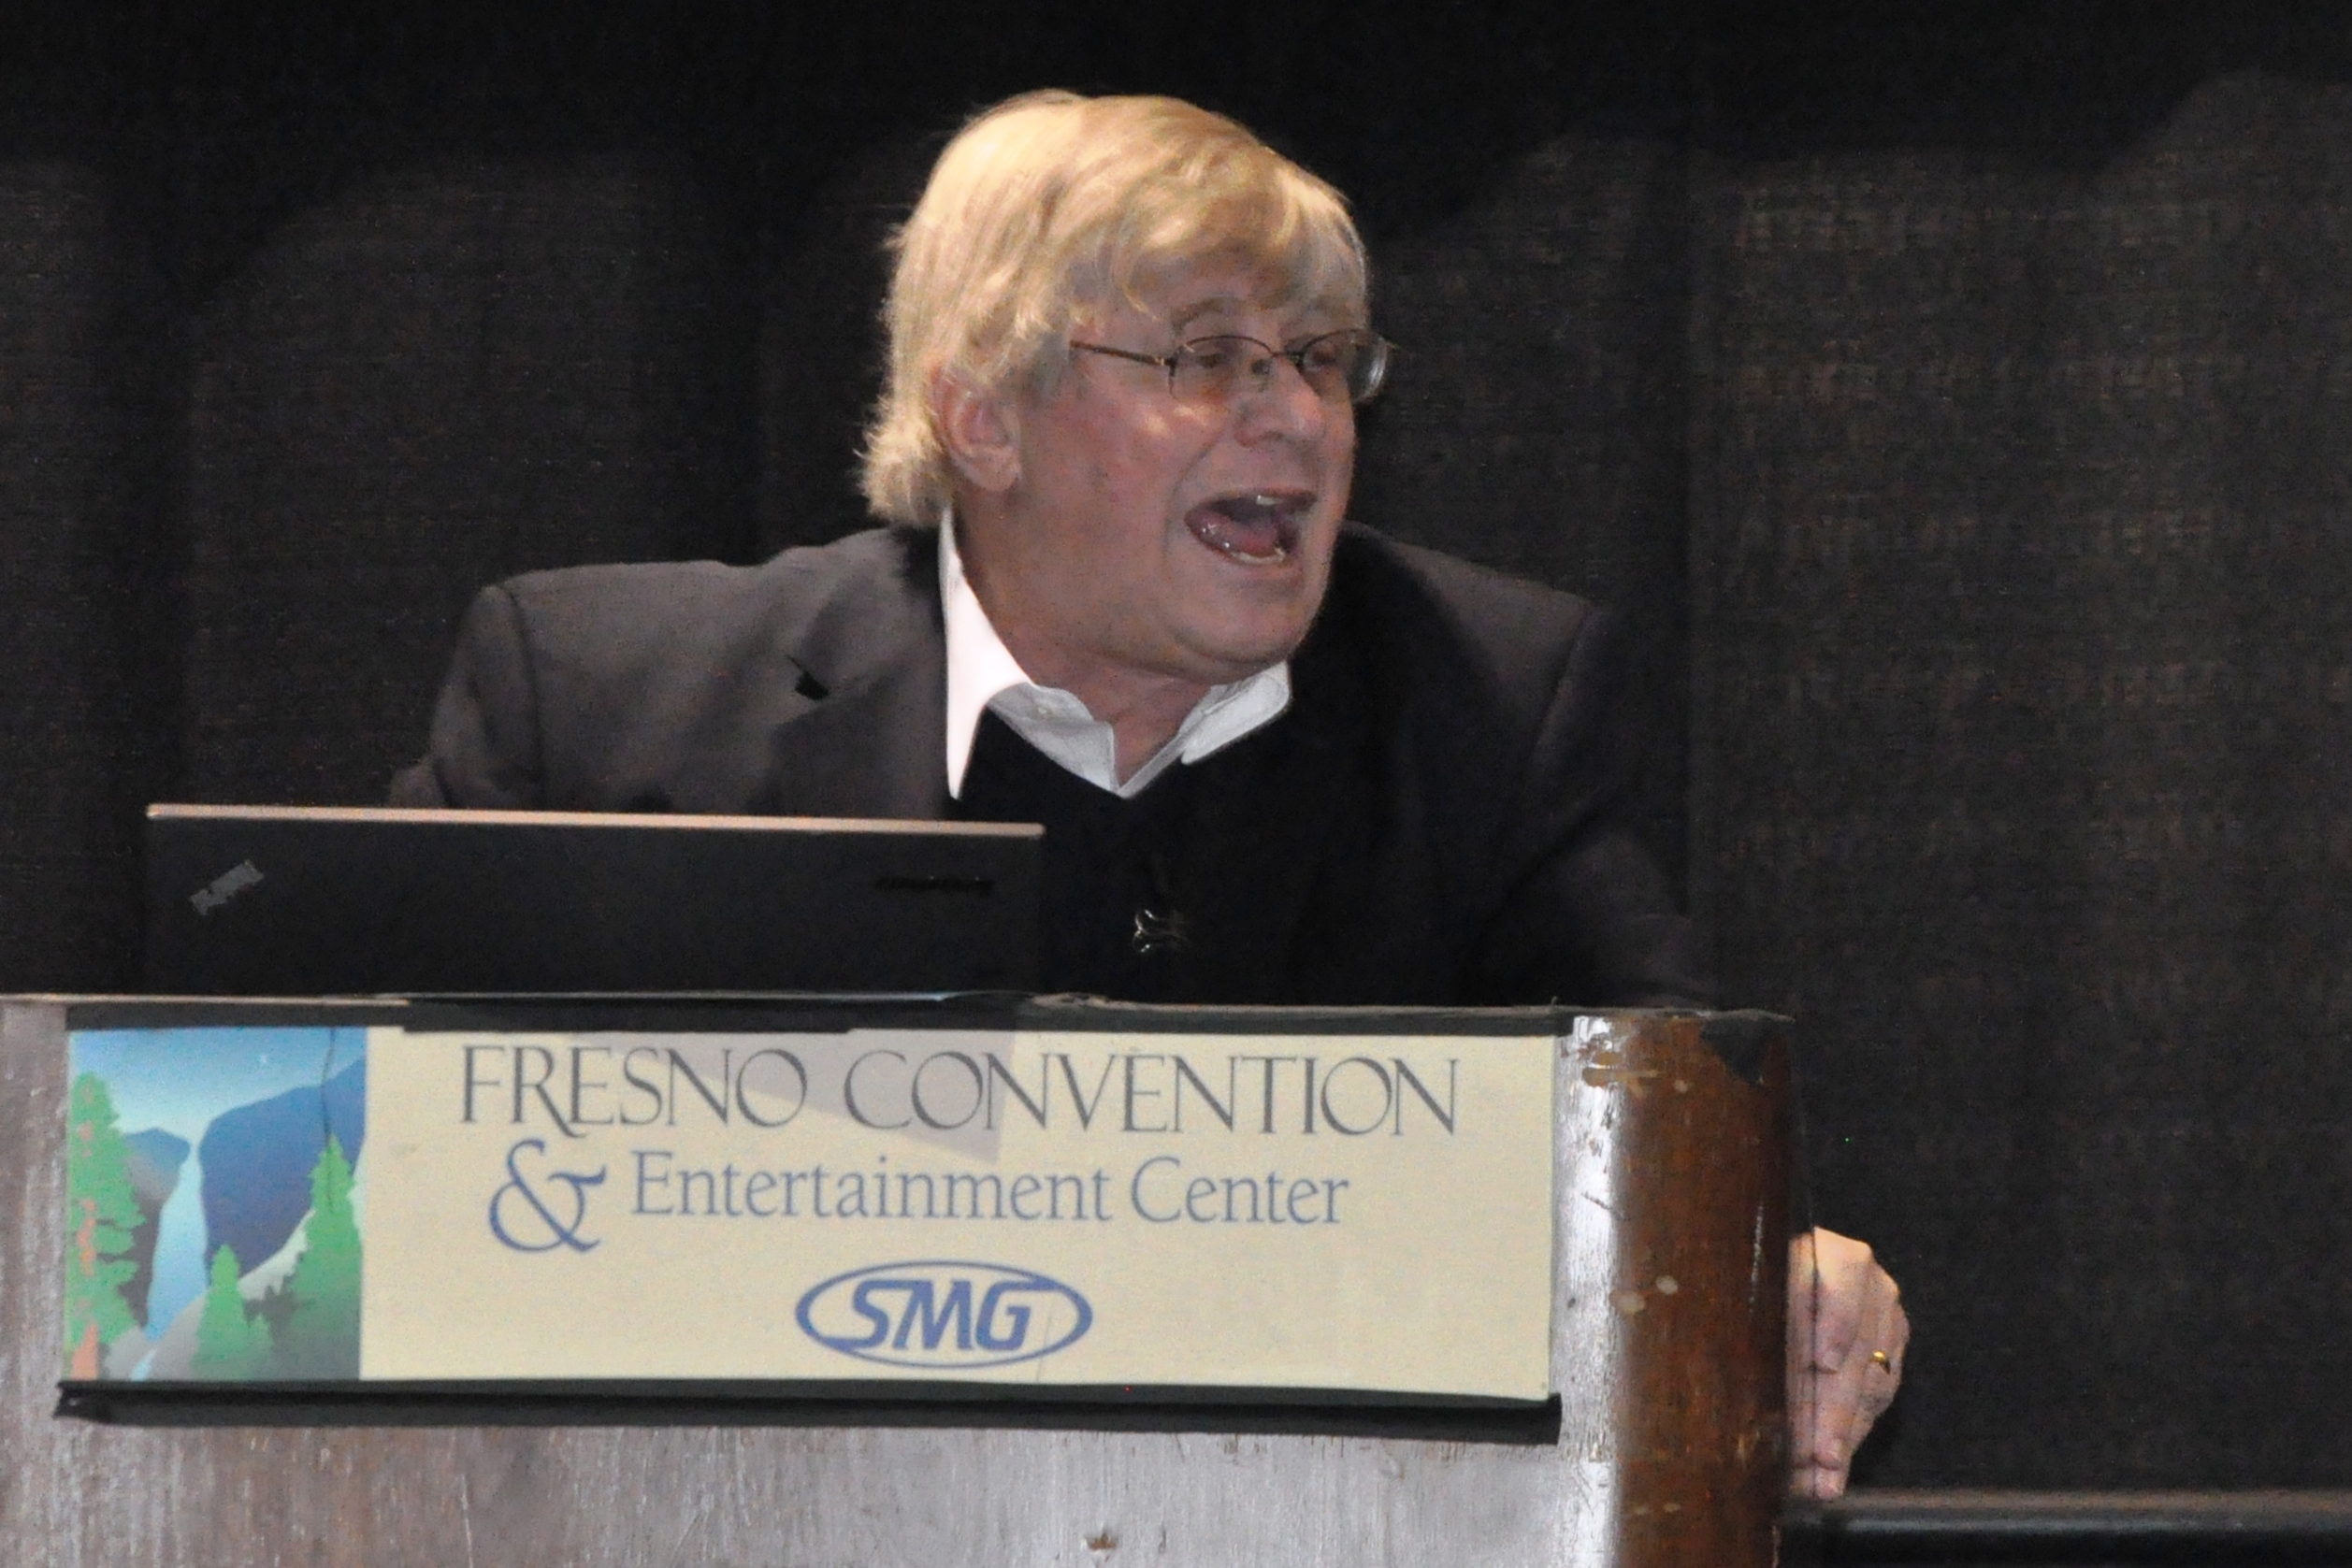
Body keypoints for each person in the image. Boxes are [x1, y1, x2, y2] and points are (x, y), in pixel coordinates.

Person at [393, 89, 1906, 1494]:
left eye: (1321, 358)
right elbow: (335, 1145)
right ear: (984, 416)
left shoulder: (1486, 699)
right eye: (1205, 357)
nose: (1296, 417)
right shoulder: (606, 709)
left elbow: (1676, 1132)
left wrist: (1778, 1273)